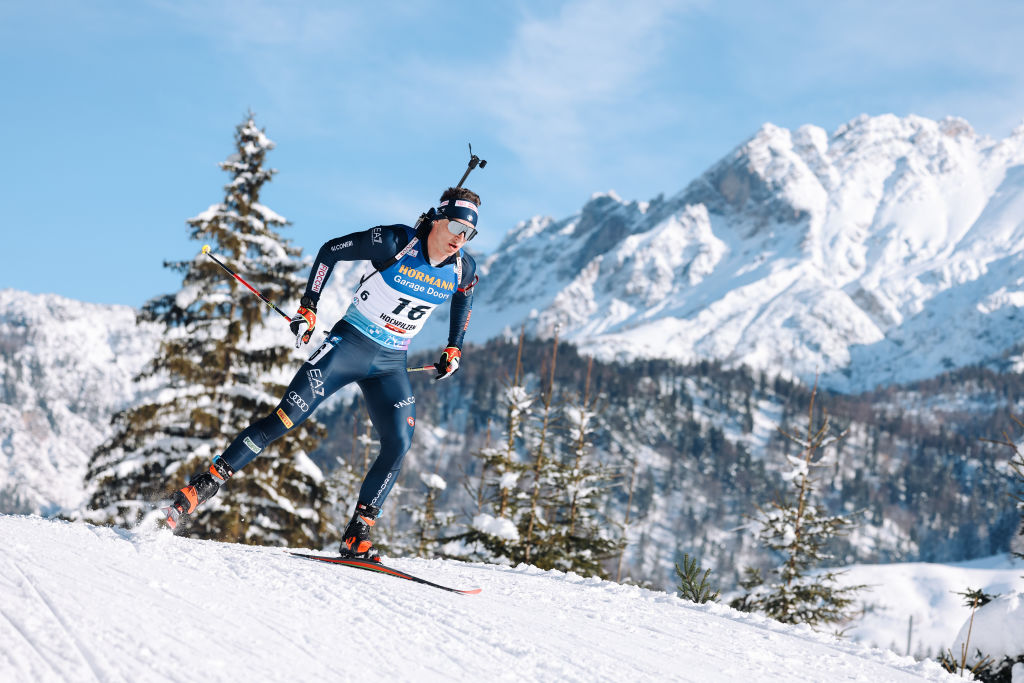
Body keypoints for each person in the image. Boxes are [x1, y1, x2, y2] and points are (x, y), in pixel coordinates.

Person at [163, 186, 481, 562]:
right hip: (349, 346)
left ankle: (357, 534)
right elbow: (331, 250)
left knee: (400, 440)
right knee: (285, 418)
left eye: (469, 233)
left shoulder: (463, 267)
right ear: (438, 220)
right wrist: (309, 306)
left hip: (391, 362)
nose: (460, 239)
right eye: (457, 227)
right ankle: (204, 485)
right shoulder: (395, 241)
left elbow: (465, 296)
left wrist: (454, 346)